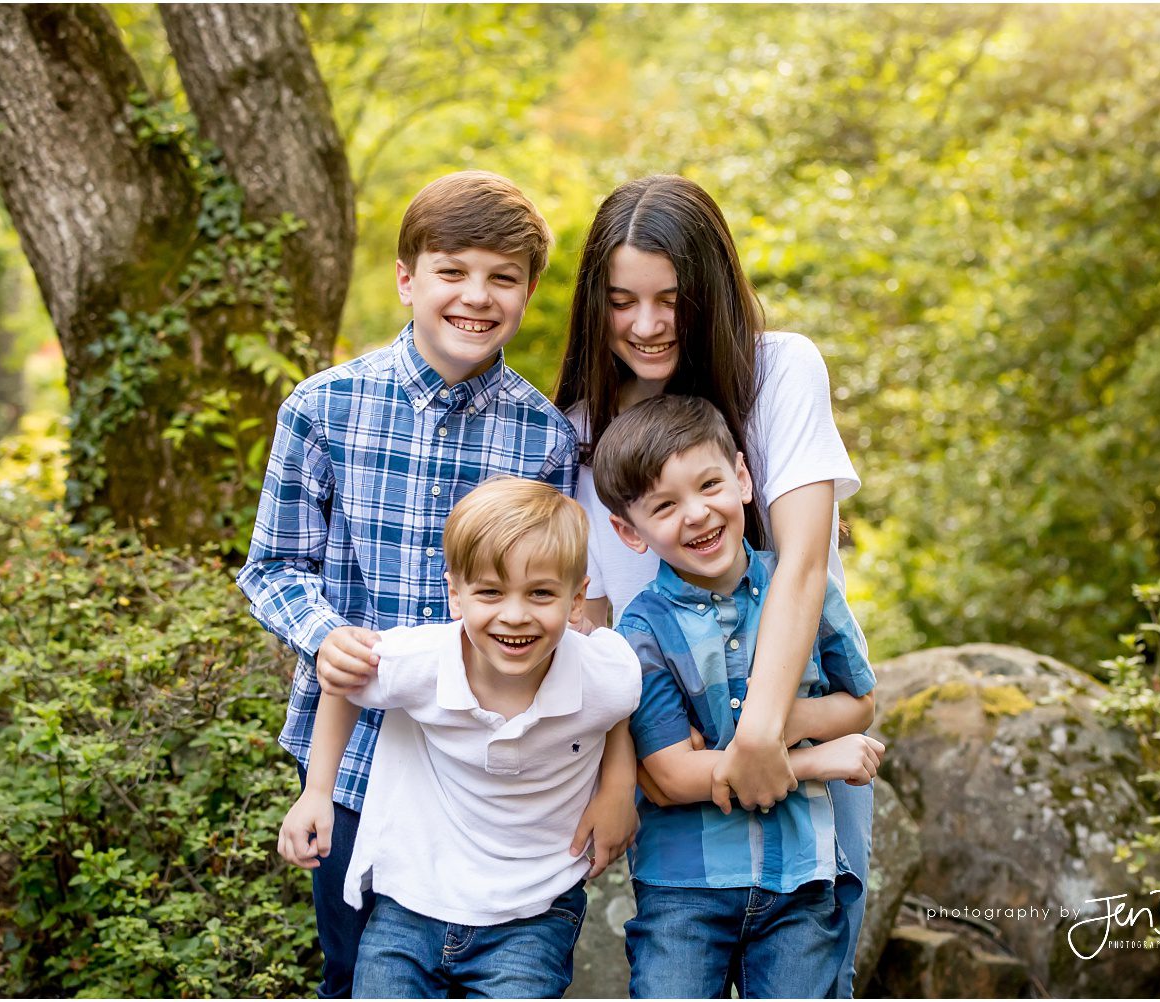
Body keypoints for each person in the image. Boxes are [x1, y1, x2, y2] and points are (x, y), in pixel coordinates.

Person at [239, 171, 637, 999]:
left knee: (501, 962)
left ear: (529, 292)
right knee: (357, 972)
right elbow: (274, 567)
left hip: (493, 778)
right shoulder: (323, 408)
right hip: (353, 759)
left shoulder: (545, 436)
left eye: (502, 277)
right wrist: (326, 636)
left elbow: (584, 621)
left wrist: (611, 781)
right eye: (452, 271)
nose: (475, 297)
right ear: (407, 277)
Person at [554, 173, 876, 993]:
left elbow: (803, 562)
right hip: (677, 788)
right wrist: (629, 780)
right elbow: (597, 633)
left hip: (795, 755)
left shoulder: (779, 371)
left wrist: (768, 734)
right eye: (622, 301)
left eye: (671, 298)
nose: (648, 325)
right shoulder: (583, 434)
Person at [277, 478, 641, 999]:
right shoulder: (422, 660)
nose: (514, 615)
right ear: (455, 593)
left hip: (533, 914)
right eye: (490, 592)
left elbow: (624, 706)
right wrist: (316, 793)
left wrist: (617, 788)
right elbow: (344, 681)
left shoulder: (605, 672)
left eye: (541, 593)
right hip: (411, 902)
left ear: (577, 598)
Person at [591, 395, 882, 998]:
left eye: (709, 485)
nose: (695, 514)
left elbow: (860, 705)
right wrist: (810, 758)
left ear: (744, 478)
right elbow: (669, 776)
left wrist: (785, 719)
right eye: (664, 506)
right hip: (684, 889)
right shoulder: (641, 633)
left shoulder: (804, 591)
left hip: (800, 880)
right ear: (628, 531)